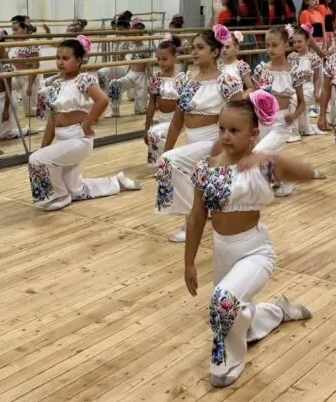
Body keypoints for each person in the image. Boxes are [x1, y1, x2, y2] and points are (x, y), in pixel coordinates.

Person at [183, 94, 316, 388]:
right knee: (229, 310)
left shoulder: (262, 166)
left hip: (255, 251)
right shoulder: (204, 168)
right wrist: (189, 262)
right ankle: (278, 310)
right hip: (222, 252)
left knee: (223, 302)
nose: (226, 136)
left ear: (253, 133)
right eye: (222, 129)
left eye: (234, 130)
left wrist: (270, 158)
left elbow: (309, 174)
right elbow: (196, 217)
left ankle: (230, 361)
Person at [27, 36, 140, 211]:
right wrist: (44, 147)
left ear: (79, 61)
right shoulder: (56, 84)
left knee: (35, 160)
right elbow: (52, 119)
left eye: (66, 58)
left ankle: (59, 195)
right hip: (63, 140)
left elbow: (102, 100)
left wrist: (87, 124)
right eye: (58, 58)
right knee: (76, 190)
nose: (60, 62)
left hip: (78, 138)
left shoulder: (83, 79)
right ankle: (116, 182)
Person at [157, 27, 243, 242]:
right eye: (193, 48)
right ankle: (197, 216)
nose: (194, 52)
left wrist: (227, 147)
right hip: (193, 140)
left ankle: (193, 222)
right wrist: (166, 150)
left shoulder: (227, 80)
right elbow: (177, 121)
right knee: (170, 163)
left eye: (200, 48)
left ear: (214, 52)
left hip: (215, 140)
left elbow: (241, 116)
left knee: (171, 162)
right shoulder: (188, 81)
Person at [144, 35, 184, 166]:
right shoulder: (156, 79)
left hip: (177, 120)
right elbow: (151, 105)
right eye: (158, 59)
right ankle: (163, 163)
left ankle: (165, 163)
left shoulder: (181, 79)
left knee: (155, 134)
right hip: (162, 119)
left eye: (165, 59)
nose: (161, 62)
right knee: (153, 134)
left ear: (174, 57)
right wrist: (146, 128)